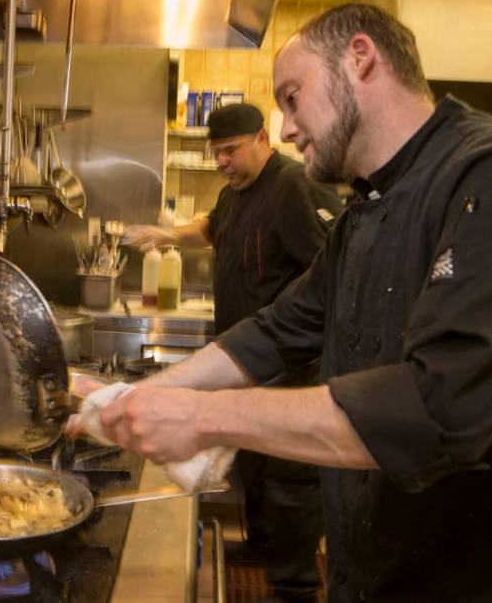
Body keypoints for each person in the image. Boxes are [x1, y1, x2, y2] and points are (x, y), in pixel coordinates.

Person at [72, 3, 492, 602]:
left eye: (292, 97)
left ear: (360, 58)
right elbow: (276, 330)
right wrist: (143, 397)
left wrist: (201, 418)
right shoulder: (364, 213)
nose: (287, 129)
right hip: (389, 570)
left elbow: (435, 409)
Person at [124, 102, 343, 602]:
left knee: (291, 476)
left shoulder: (295, 187)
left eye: (230, 150)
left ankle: (296, 585)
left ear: (264, 139)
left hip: (293, 366)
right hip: (247, 363)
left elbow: (335, 267)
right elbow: (211, 226)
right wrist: (168, 233)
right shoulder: (236, 191)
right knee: (256, 465)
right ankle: (263, 550)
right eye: (216, 153)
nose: (222, 161)